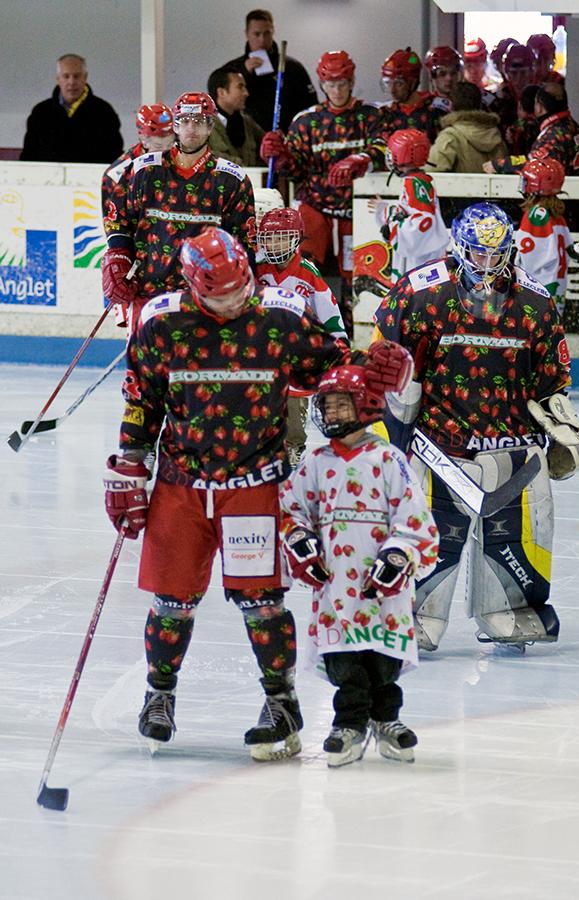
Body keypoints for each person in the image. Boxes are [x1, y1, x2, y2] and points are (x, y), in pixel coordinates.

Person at [102, 225, 412, 759]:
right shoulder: (159, 324)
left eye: (241, 289)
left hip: (255, 485)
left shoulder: (279, 318)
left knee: (262, 603)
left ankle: (281, 704)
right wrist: (130, 464)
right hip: (181, 484)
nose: (235, 301)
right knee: (172, 601)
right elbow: (142, 399)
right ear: (194, 286)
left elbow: (330, 364)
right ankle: (159, 695)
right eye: (221, 296)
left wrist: (375, 369)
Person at [372, 201, 579, 652]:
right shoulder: (419, 292)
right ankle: (414, 614)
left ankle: (511, 608)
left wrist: (562, 423)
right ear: (459, 247)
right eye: (478, 252)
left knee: (518, 536)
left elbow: (551, 381)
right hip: (438, 445)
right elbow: (385, 366)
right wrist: (388, 434)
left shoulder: (536, 302)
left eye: (496, 253)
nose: (487, 263)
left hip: (513, 447)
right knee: (430, 536)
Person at [279, 364, 438, 767]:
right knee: (345, 660)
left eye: (341, 405)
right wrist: (299, 541)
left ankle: (386, 718)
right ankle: (348, 723)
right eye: (327, 406)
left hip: (383, 588)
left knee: (383, 659)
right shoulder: (316, 462)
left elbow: (415, 517)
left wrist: (399, 554)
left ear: (365, 405)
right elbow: (290, 510)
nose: (331, 413)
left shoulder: (388, 459)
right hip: (336, 582)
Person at [101, 91, 256, 333]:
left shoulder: (232, 179)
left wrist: (242, 295)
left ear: (210, 127)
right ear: (175, 125)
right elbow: (118, 220)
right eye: (185, 121)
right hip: (147, 293)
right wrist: (119, 256)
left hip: (207, 299)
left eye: (199, 122)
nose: (191, 128)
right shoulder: (143, 170)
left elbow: (244, 242)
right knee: (145, 358)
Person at [260, 49, 385, 337]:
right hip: (315, 205)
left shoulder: (370, 115)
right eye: (330, 84)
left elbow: (385, 148)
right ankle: (303, 328)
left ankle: (356, 333)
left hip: (355, 209)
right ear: (321, 84)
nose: (337, 90)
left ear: (351, 82)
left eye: (342, 83)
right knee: (300, 263)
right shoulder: (306, 121)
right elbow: (295, 171)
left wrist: (363, 158)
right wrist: (281, 157)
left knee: (358, 273)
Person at [256, 206, 348, 463]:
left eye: (281, 238)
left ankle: (293, 446)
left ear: (296, 239)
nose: (275, 244)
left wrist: (339, 345)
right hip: (262, 349)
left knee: (294, 406)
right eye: (270, 238)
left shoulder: (308, 273)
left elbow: (329, 312)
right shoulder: (256, 268)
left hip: (296, 351)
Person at [101, 104, 175, 329]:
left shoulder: (180, 160)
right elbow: (115, 225)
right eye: (159, 143)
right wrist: (121, 259)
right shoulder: (118, 174)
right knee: (136, 325)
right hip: (138, 256)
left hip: (172, 255)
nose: (165, 148)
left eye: (170, 141)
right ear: (143, 137)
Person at [370, 129, 448, 280]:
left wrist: (390, 217)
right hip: (426, 255)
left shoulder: (414, 184)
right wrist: (389, 211)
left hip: (421, 259)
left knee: (417, 291)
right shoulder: (419, 180)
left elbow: (423, 221)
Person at [222, 9, 317, 132]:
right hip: (246, 137)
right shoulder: (232, 69)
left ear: (273, 32)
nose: (262, 40)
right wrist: (244, 73)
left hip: (288, 135)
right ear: (246, 33)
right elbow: (222, 107)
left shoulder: (292, 67)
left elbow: (311, 106)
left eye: (267, 33)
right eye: (256, 34)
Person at [21, 53, 123, 163]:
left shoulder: (104, 112)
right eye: (66, 76)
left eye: (76, 76)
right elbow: (29, 157)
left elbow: (114, 158)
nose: (71, 82)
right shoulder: (40, 113)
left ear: (85, 77)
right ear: (58, 79)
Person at [485, 82, 579, 176]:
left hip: (566, 190)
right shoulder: (572, 126)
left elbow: (535, 165)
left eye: (535, 103)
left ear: (540, 107)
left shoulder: (555, 133)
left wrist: (499, 165)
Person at [514, 157, 571, 316]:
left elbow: (528, 261)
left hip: (537, 293)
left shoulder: (536, 216)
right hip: (556, 292)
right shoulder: (557, 216)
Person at [425, 81, 507, 174]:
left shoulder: (450, 136)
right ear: (480, 104)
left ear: (451, 105)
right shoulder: (496, 135)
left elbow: (432, 171)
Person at [379, 47, 447, 144]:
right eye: (388, 83)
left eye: (399, 84)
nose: (392, 90)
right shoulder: (386, 113)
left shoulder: (435, 110)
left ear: (413, 83)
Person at [207, 65, 264, 167]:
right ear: (222, 92)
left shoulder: (247, 123)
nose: (246, 93)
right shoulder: (201, 125)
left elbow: (265, 148)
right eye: (240, 87)